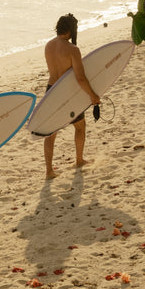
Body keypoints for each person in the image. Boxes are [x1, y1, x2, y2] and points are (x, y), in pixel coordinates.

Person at [44, 14, 100, 180]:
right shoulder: (72, 50)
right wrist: (93, 95)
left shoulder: (48, 45)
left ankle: (49, 171)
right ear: (70, 30)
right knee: (80, 126)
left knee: (50, 133)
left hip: (51, 90)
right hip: (66, 93)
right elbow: (80, 78)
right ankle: (79, 160)